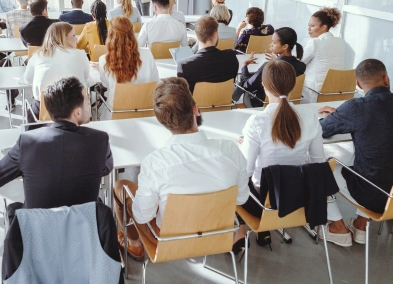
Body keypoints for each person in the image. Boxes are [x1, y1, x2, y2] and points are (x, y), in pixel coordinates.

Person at [113, 77, 249, 260]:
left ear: (161, 121)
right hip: (220, 234)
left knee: (120, 186)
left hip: (170, 240)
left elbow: (142, 215)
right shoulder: (230, 149)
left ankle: (135, 244)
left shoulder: (154, 163)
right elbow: (241, 198)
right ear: (195, 109)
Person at [236, 60, 352, 247]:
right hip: (302, 200)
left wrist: (243, 148)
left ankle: (246, 232)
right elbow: (318, 163)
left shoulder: (257, 122)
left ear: (264, 86)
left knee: (234, 177)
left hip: (264, 206)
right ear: (293, 86)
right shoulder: (310, 117)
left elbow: (246, 173)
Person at [319, 59, 393, 245]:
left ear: (357, 84)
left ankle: (338, 228)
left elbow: (323, 129)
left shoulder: (356, 107)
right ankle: (361, 224)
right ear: (386, 79)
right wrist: (343, 115)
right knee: (378, 160)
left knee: (321, 168)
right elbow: (383, 120)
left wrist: (339, 115)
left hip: (374, 196)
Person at [0, 76, 113, 210]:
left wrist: (29, 165)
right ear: (77, 112)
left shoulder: (27, 142)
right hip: (84, 226)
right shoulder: (99, 140)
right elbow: (106, 169)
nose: (90, 105)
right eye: (87, 102)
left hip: (38, 228)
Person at [23, 22, 92, 123]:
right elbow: (86, 78)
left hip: (44, 112)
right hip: (75, 113)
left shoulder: (37, 56)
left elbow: (27, 80)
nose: (76, 39)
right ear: (63, 38)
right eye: (73, 36)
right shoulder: (80, 54)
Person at [98, 16, 159, 120]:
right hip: (146, 112)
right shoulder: (148, 54)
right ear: (132, 33)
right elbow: (155, 82)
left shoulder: (104, 60)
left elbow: (105, 84)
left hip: (115, 113)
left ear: (111, 34)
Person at [235, 27, 305, 107]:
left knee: (242, 82)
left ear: (285, 46)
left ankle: (232, 101)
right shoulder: (301, 66)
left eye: (274, 43)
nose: (270, 44)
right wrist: (277, 60)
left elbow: (247, 85)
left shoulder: (269, 67)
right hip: (290, 103)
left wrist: (244, 66)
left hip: (262, 103)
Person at [177, 15, 238, 93]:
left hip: (196, 105)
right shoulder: (231, 57)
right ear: (215, 34)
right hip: (225, 104)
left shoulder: (184, 65)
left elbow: (184, 95)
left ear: (197, 35)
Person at [302, 7, 345, 103]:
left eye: (312, 26)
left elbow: (299, 61)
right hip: (337, 90)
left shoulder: (315, 42)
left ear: (324, 27)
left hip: (315, 91)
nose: (309, 29)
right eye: (308, 25)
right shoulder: (341, 42)